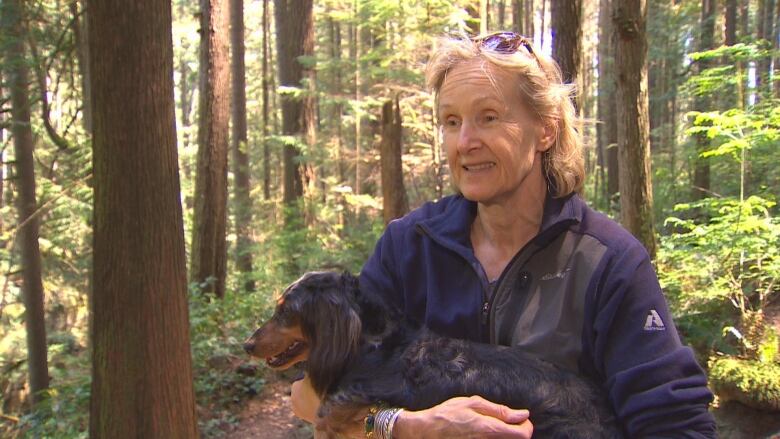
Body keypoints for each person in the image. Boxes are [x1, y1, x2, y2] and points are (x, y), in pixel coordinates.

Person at [291, 32, 717, 438]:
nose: (465, 141)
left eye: (488, 117)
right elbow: (311, 399)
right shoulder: (408, 249)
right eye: (451, 121)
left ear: (546, 130)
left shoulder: (608, 263)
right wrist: (404, 428)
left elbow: (676, 423)